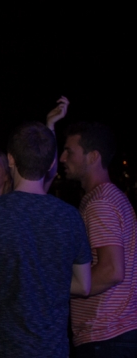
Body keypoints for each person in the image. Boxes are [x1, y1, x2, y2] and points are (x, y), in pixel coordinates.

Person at [0, 122, 92, 358]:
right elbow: (83, 285)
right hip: (52, 349)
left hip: (2, 348)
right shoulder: (70, 216)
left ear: (11, 159)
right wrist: (41, 283)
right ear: (51, 163)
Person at [60, 122, 137, 357]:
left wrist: (56, 287)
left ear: (93, 156)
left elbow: (112, 270)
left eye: (69, 151)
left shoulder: (100, 203)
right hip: (115, 334)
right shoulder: (107, 198)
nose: (63, 158)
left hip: (106, 334)